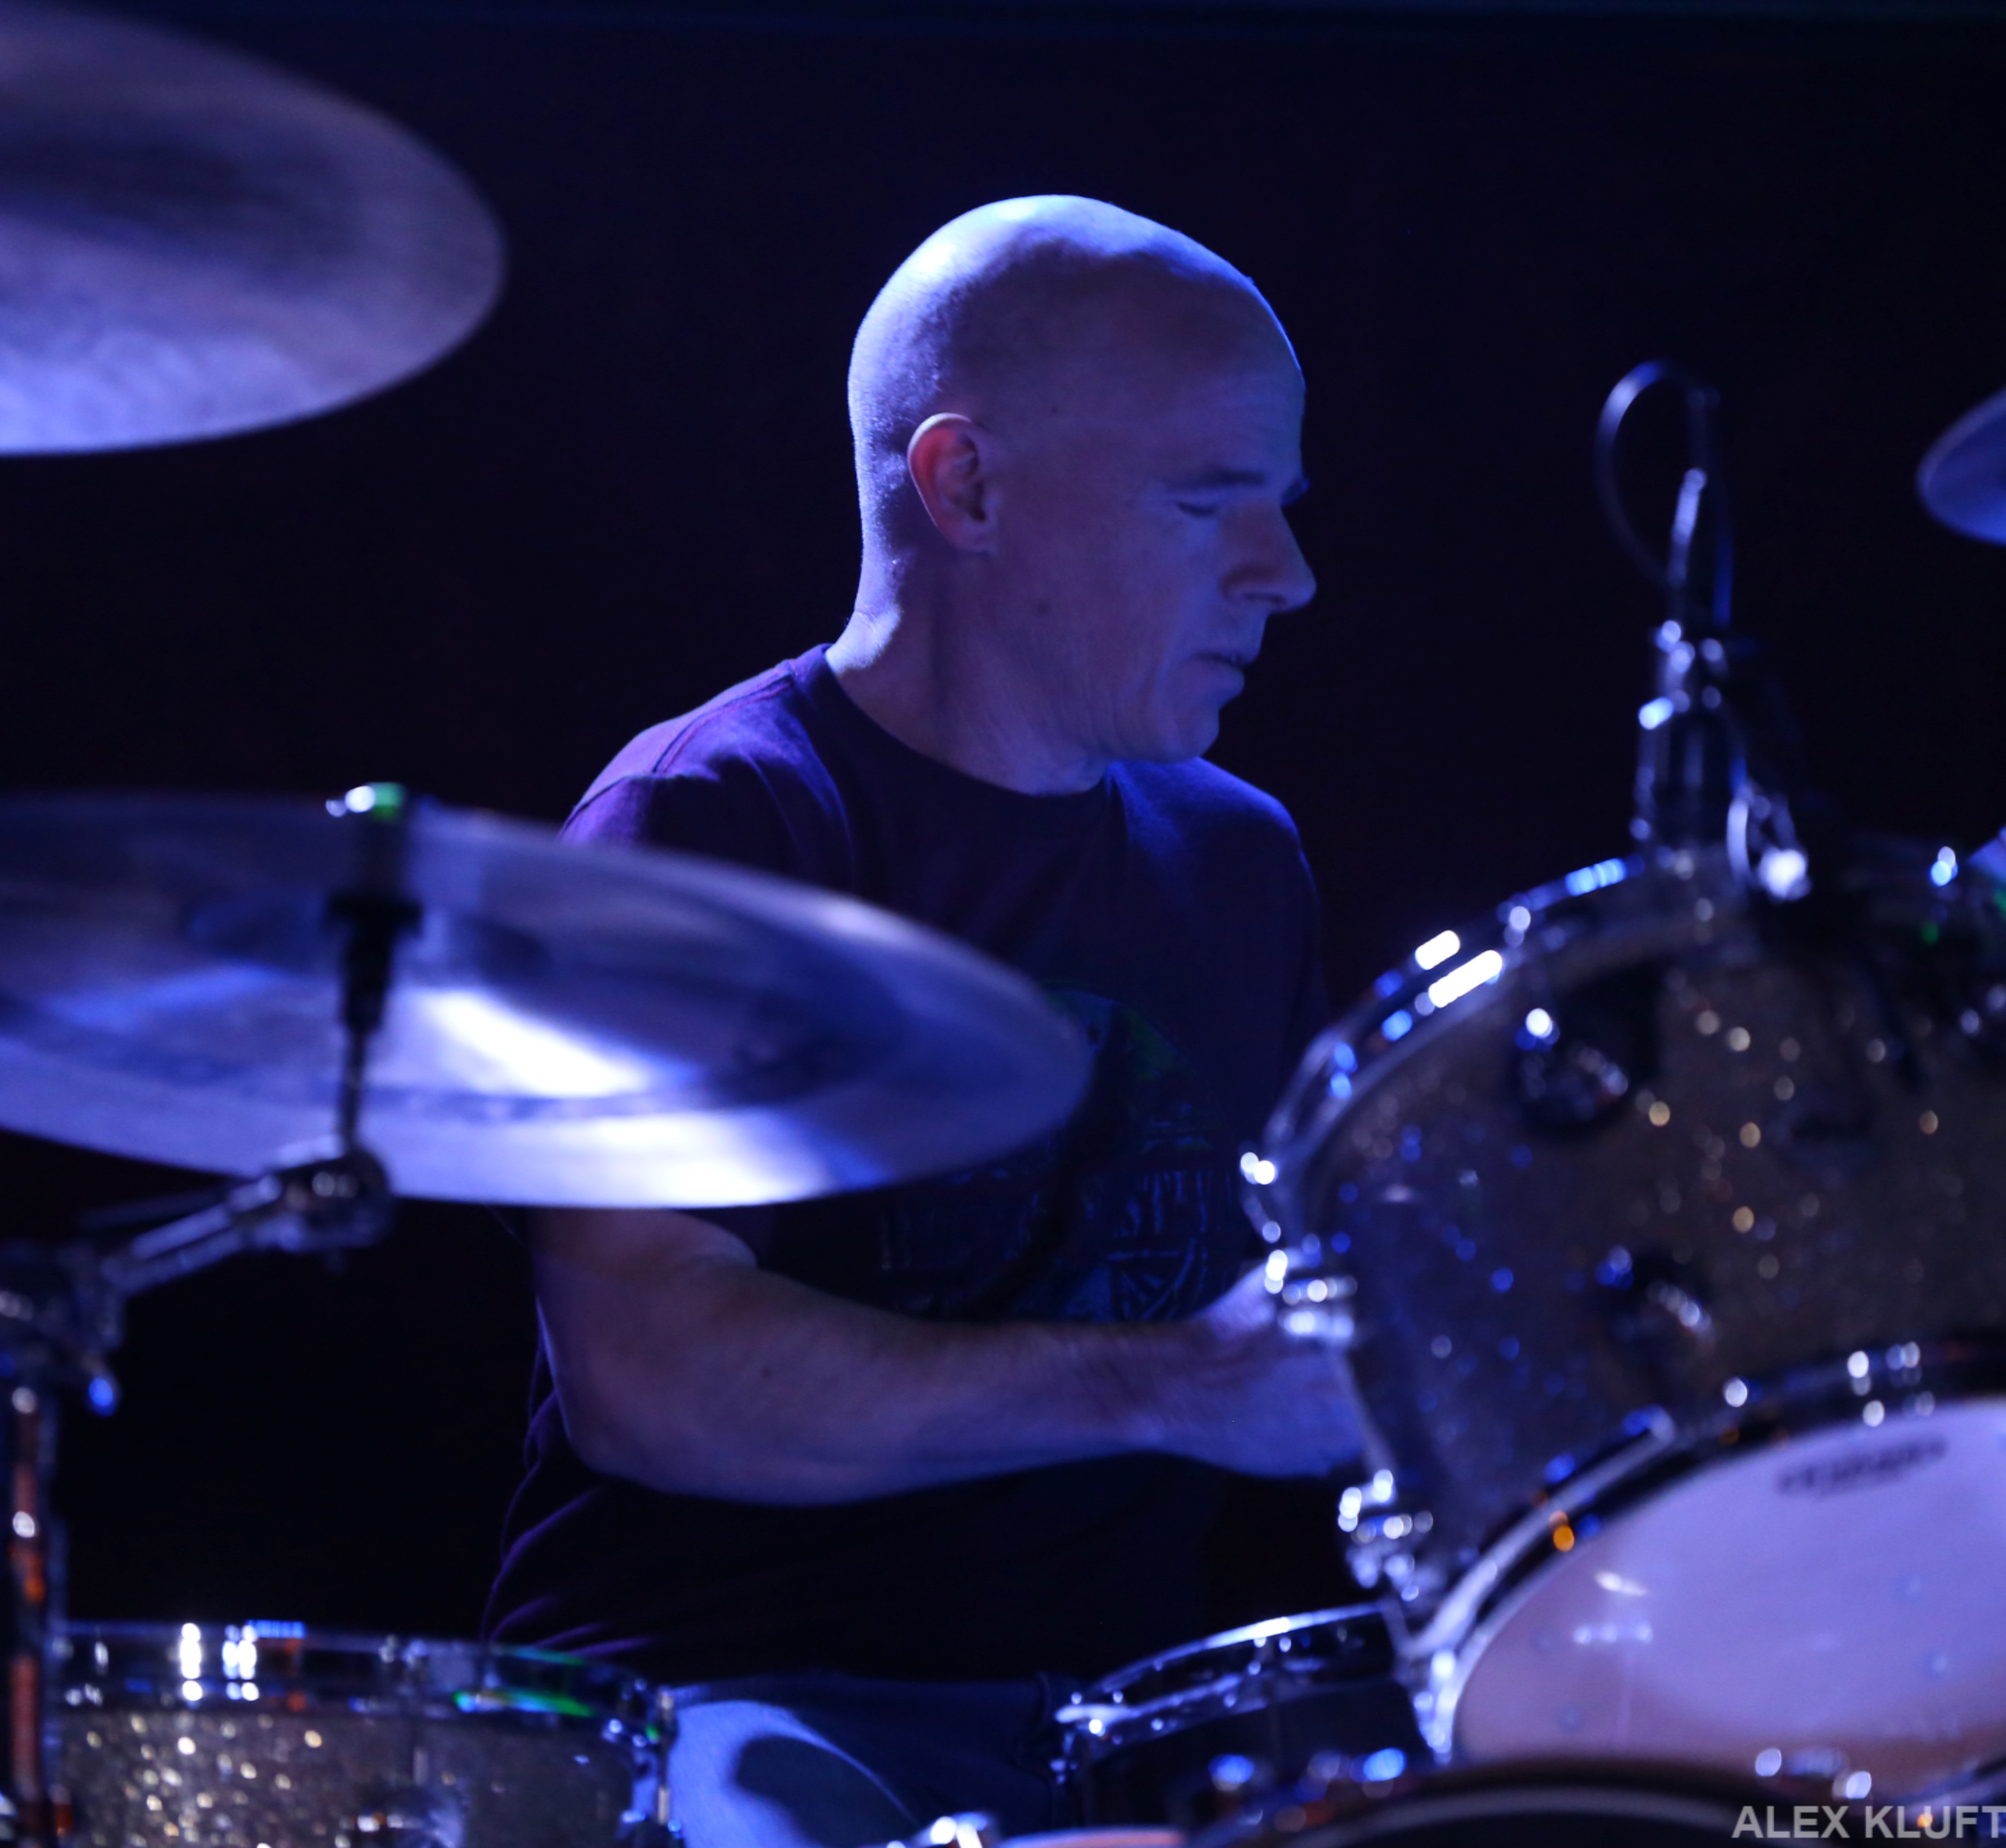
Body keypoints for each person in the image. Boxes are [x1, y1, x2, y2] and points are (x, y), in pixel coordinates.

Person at [486, 194, 1360, 1848]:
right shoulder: (712, 826)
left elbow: (1306, 1317)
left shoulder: (1241, 860)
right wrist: (1170, 1388)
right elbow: (647, 1378)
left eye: (1285, 507)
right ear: (965, 488)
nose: (1287, 575)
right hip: (734, 1696)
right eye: (1207, 502)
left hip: (1137, 1717)